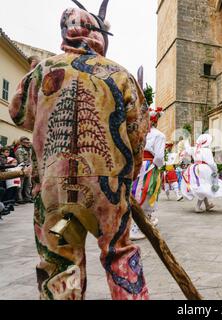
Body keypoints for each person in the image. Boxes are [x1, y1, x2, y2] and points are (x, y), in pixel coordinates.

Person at [9, 1, 150, 300]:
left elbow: (20, 114)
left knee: (60, 259)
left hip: (56, 199)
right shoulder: (120, 74)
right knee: (118, 256)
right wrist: (130, 175)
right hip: (106, 195)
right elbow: (138, 133)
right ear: (98, 36)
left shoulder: (41, 72)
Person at [131, 108, 166, 239]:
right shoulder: (159, 135)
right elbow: (159, 156)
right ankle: (137, 228)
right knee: (147, 193)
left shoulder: (139, 133)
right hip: (149, 166)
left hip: (137, 164)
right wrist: (158, 167)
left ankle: (147, 220)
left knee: (135, 192)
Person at [180, 134, 222, 213]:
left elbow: (187, 149)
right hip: (204, 168)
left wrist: (186, 140)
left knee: (203, 186)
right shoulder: (207, 150)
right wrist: (215, 170)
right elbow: (211, 163)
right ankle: (197, 206)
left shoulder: (195, 149)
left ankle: (207, 205)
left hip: (194, 168)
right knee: (204, 187)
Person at [15, 136, 33, 204]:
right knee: (20, 185)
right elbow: (20, 161)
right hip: (21, 168)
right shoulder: (19, 150)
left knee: (28, 184)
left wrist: (30, 167)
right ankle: (19, 199)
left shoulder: (29, 149)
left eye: (28, 142)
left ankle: (27, 198)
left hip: (29, 168)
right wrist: (26, 167)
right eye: (25, 142)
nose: (27, 143)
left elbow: (30, 159)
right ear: (21, 142)